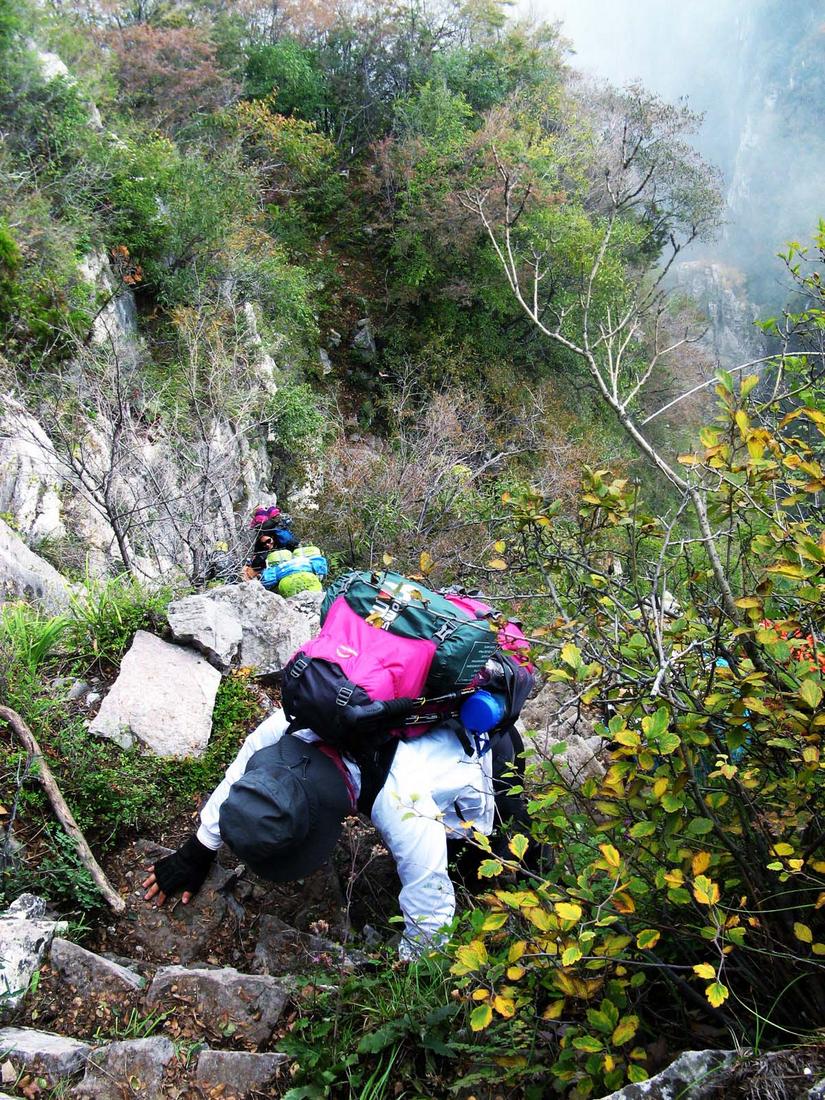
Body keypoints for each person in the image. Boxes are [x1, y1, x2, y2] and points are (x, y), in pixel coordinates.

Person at [142, 709, 501, 959]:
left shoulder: (402, 802)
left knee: (485, 868)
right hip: (406, 751)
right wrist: (197, 850)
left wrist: (410, 978)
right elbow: (243, 773)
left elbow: (430, 907)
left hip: (487, 760)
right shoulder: (291, 726)